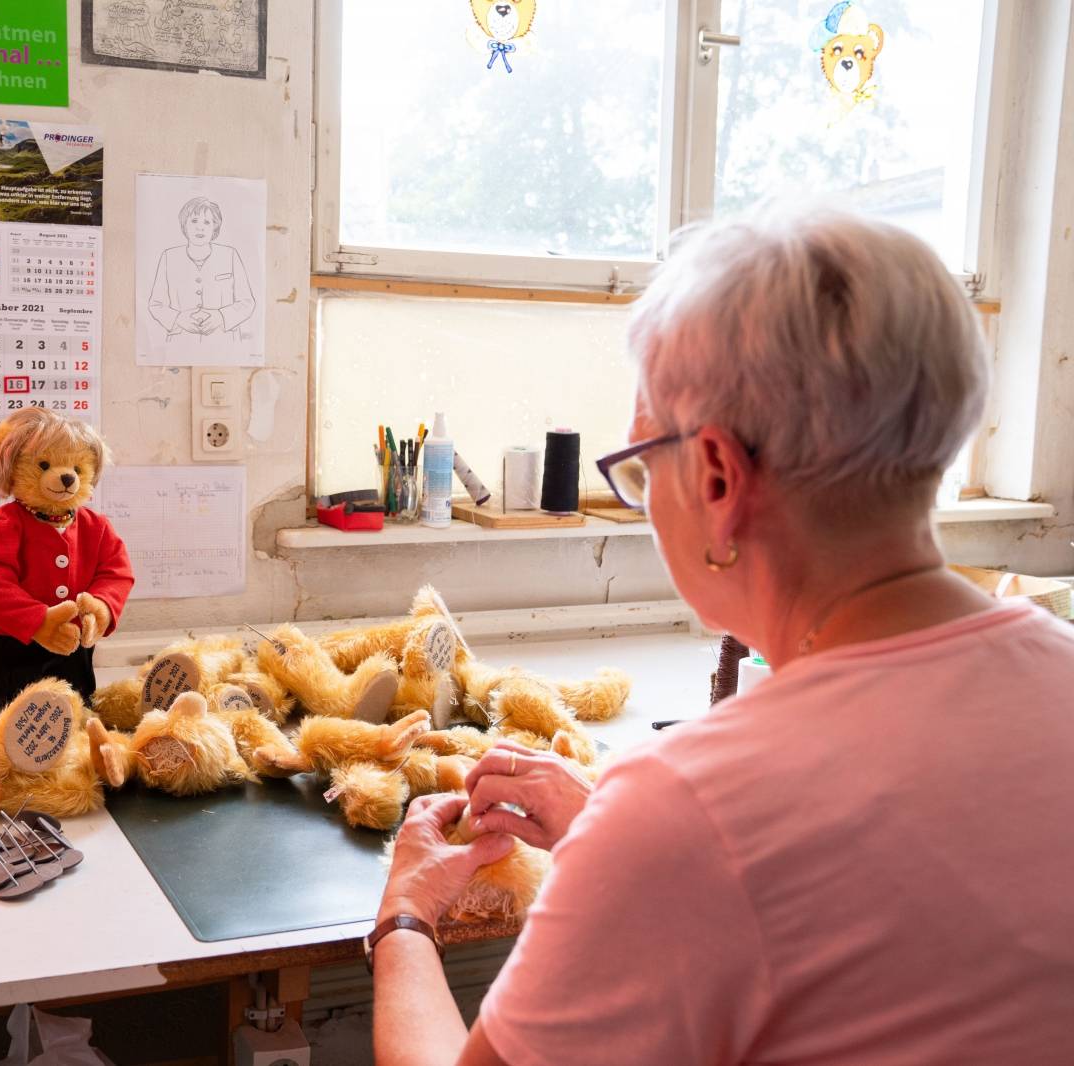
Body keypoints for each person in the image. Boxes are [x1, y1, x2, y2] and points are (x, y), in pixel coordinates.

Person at [371, 207, 1074, 1065]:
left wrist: (405, 919)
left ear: (714, 476)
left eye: (639, 467)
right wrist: (627, 847)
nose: (644, 497)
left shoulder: (687, 817)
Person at [147, 196, 255, 349]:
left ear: (214, 228)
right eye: (194, 221)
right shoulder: (169, 257)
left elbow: (247, 302)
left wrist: (221, 316)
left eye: (207, 222)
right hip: (179, 345)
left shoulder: (230, 255)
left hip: (225, 345)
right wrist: (177, 319)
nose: (200, 227)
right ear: (184, 225)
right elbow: (156, 304)